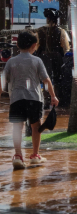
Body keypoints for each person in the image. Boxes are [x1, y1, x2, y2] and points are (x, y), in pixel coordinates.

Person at [4, 30, 59, 170]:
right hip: (34, 99)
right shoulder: (37, 61)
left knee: (18, 127)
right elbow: (46, 80)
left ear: (17, 44)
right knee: (36, 127)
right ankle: (35, 155)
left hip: (16, 99)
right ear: (34, 45)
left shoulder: (11, 61)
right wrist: (53, 96)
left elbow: (3, 82)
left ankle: (18, 156)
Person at [35, 8, 70, 105]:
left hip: (44, 57)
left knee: (46, 78)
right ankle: (57, 99)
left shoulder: (40, 30)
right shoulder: (61, 31)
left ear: (47, 18)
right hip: (57, 56)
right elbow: (66, 47)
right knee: (58, 77)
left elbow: (37, 45)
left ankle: (46, 100)